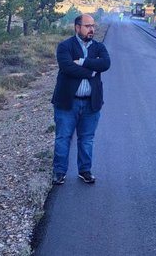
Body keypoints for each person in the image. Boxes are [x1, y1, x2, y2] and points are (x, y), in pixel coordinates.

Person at [51, 14, 111, 185]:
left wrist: (83, 62)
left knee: (87, 138)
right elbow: (67, 66)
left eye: (93, 25)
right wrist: (91, 71)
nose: (91, 29)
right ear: (77, 27)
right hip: (67, 102)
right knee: (63, 137)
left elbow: (106, 64)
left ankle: (85, 170)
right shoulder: (65, 46)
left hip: (91, 102)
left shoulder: (99, 47)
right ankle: (59, 172)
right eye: (87, 26)